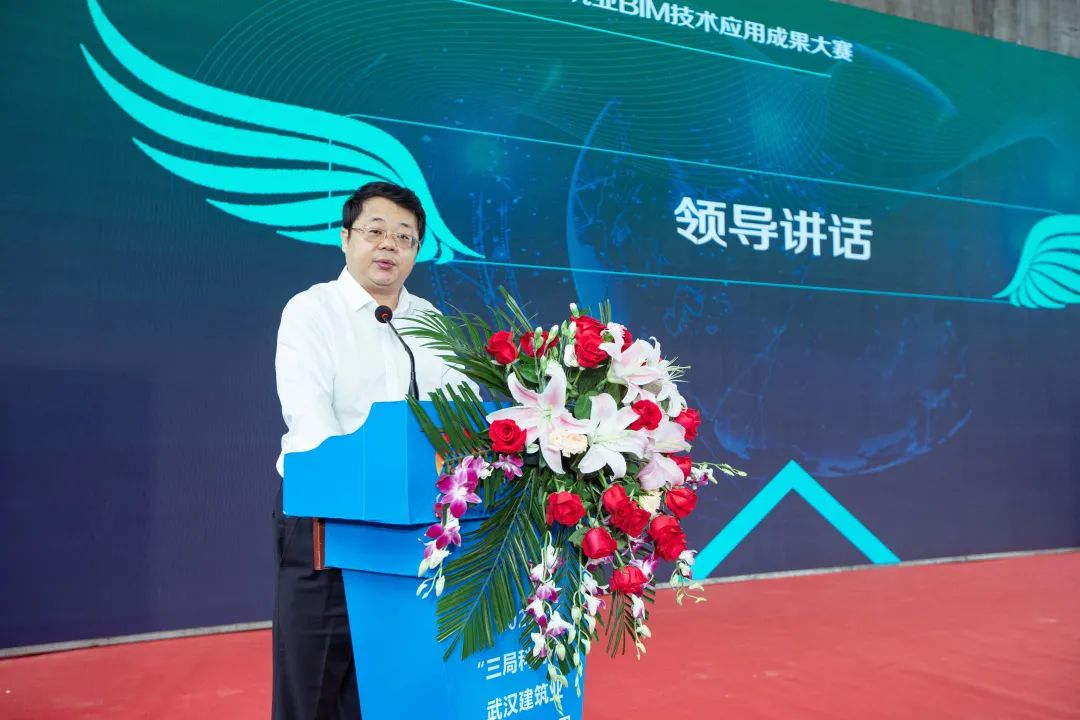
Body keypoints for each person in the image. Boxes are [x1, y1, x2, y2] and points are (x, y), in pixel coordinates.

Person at [271, 182, 470, 719]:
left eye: (404, 237)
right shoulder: (312, 310)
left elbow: (461, 412)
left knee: (388, 680)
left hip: (413, 523)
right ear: (346, 238)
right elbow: (310, 420)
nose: (389, 245)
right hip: (326, 520)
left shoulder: (430, 321)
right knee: (313, 683)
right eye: (375, 231)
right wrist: (372, 480)